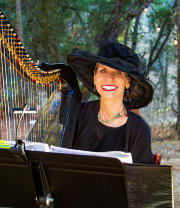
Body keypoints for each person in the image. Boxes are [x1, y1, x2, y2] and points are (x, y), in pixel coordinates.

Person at [67, 34, 155, 164]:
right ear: (94, 78)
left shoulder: (138, 129)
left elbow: (142, 181)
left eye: (118, 72)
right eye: (103, 70)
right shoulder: (77, 113)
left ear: (127, 82)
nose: (109, 78)